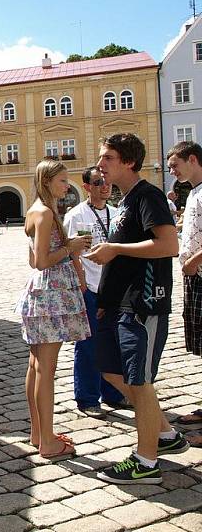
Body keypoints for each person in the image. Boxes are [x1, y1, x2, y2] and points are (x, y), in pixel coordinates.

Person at [87, 133, 189, 485]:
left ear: (129, 162)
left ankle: (146, 463)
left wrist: (114, 249)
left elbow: (168, 245)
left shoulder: (148, 195)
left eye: (108, 157)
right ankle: (165, 434)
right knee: (110, 368)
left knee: (140, 382)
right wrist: (106, 301)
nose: (101, 164)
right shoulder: (125, 200)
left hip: (144, 305)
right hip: (120, 305)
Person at [15, 159, 91, 459]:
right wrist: (70, 248)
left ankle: (38, 433)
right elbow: (44, 261)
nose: (66, 185)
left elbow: (34, 261)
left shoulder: (35, 210)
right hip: (52, 295)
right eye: (62, 180)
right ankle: (47, 440)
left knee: (36, 366)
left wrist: (66, 246)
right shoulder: (46, 213)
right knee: (47, 369)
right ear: (47, 181)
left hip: (41, 293)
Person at [64, 167, 127, 418]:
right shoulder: (76, 216)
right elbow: (72, 254)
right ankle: (87, 397)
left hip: (113, 288)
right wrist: (81, 285)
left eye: (107, 182)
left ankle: (113, 393)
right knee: (88, 344)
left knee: (113, 344)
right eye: (98, 182)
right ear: (87, 186)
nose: (105, 186)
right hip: (89, 287)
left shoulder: (116, 213)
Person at [166, 141, 202, 447]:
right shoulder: (194, 191)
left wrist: (193, 260)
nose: (172, 171)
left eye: (175, 165)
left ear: (193, 159)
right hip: (195, 279)